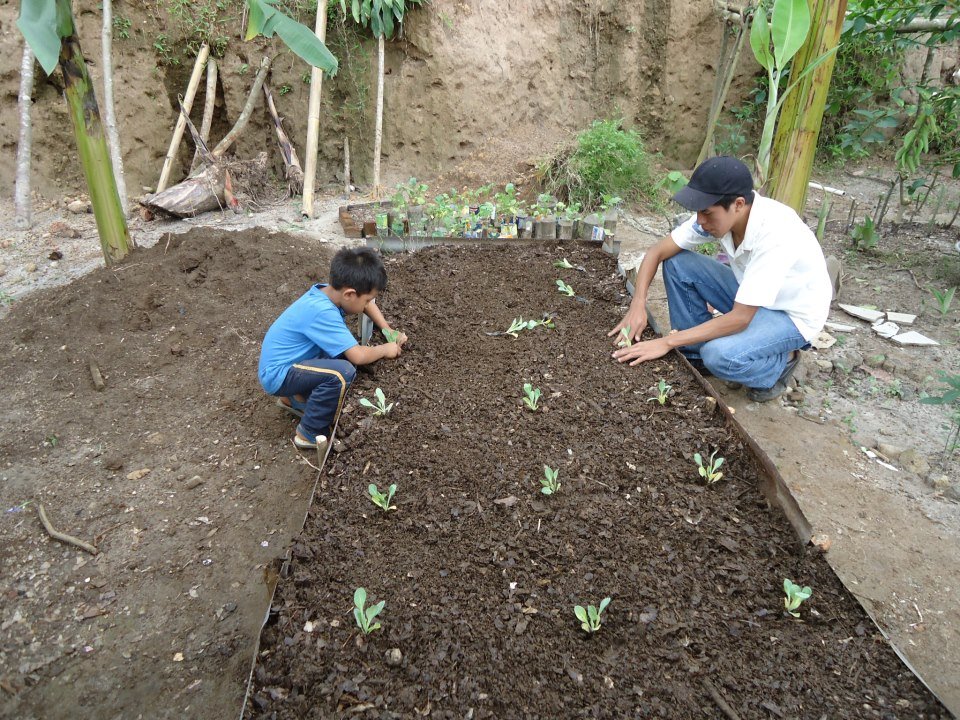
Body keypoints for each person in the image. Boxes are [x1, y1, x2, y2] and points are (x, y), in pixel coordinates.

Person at [610, 156, 831, 402]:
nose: (700, 221)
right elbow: (657, 252)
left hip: (790, 316)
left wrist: (667, 342)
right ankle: (693, 354)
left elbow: (740, 318)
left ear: (737, 204)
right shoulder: (722, 217)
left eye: (706, 213)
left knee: (718, 355)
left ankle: (780, 364)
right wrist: (638, 303)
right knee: (677, 263)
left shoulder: (775, 234)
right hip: (752, 297)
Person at [258, 247, 407, 452]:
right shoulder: (322, 312)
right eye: (365, 299)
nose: (367, 303)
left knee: (339, 350)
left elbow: (367, 304)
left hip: (287, 364)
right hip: (278, 375)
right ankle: (309, 433)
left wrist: (387, 329)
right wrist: (385, 349)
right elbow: (358, 355)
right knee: (341, 372)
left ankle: (293, 399)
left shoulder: (329, 292)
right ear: (349, 294)